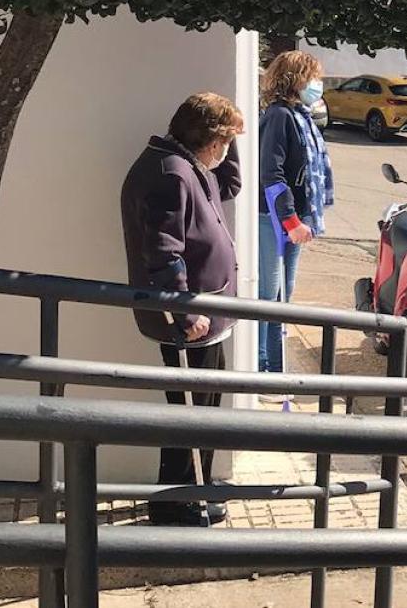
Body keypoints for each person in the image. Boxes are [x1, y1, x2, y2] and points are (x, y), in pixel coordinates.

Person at [121, 92, 245, 526]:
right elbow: (163, 252)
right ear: (209, 141)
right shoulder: (171, 174)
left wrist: (233, 138)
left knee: (202, 412)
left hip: (208, 316)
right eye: (226, 141)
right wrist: (185, 313)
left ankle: (193, 492)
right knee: (191, 416)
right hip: (190, 323)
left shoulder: (189, 166)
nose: (228, 150)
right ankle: (179, 504)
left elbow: (229, 186)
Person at [258, 50, 334, 382]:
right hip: (275, 221)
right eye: (313, 78)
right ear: (296, 79)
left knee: (281, 300)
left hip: (295, 221)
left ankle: (275, 372)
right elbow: (271, 175)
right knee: (270, 300)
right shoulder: (280, 116)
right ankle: (264, 370)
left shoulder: (299, 115)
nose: (318, 85)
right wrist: (290, 221)